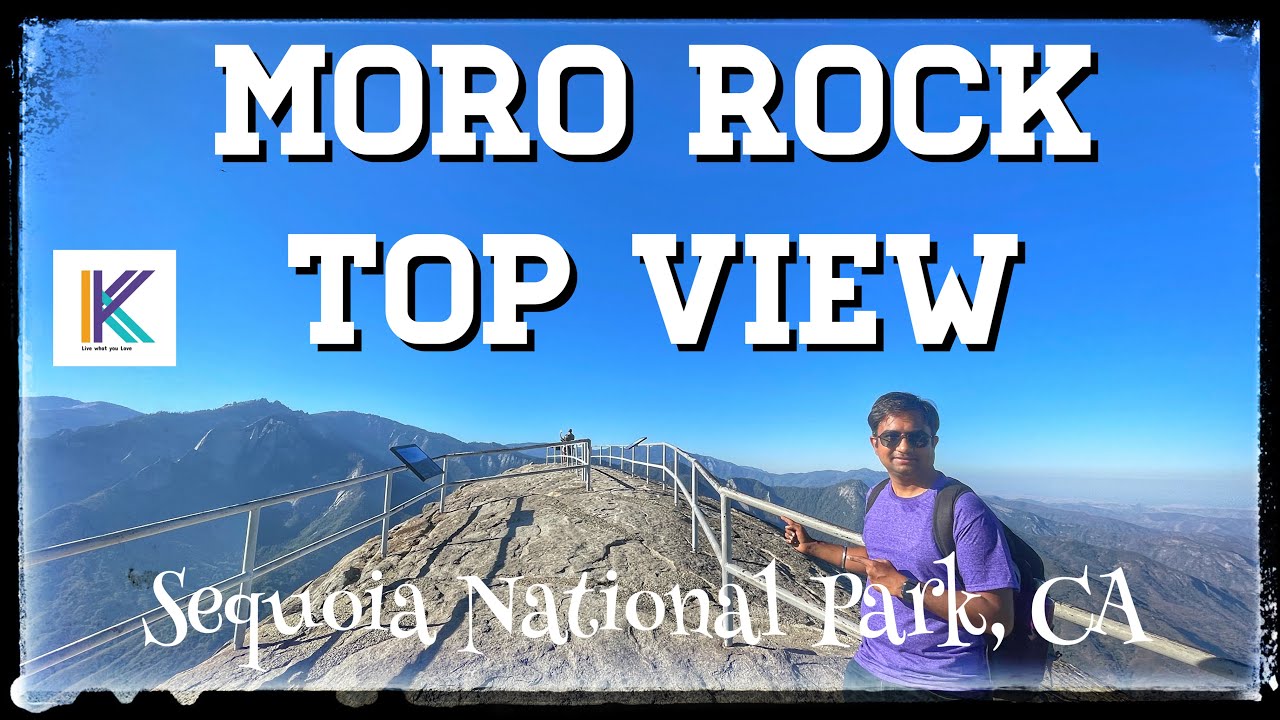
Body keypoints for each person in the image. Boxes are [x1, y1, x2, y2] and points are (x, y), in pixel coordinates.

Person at [780, 391, 1017, 700]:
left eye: (917, 437)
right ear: (874, 443)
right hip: (868, 670)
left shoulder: (962, 509)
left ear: (933, 442)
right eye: (891, 437)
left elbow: (998, 616)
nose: (904, 447)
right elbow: (879, 564)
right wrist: (812, 547)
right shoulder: (876, 495)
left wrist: (906, 588)